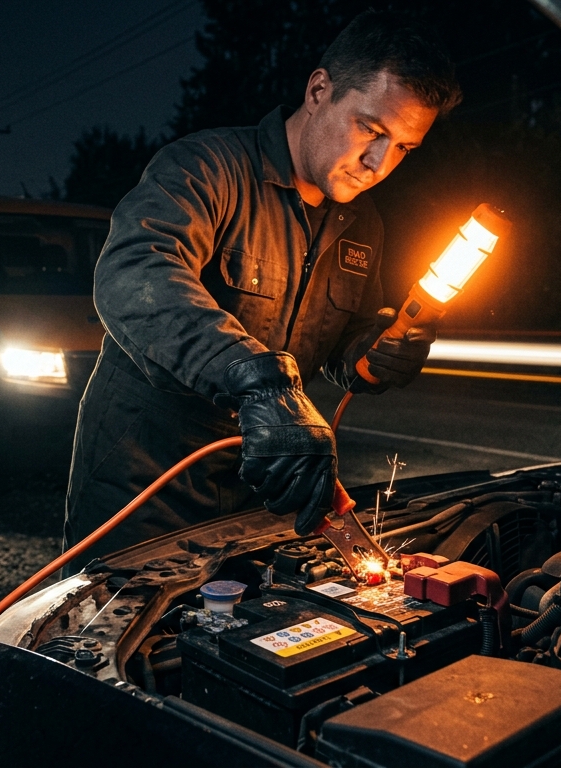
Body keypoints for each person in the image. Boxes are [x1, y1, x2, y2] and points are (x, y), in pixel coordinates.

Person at [64, 11, 462, 564]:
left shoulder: (362, 224)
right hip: (144, 486)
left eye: (403, 148)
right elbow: (134, 271)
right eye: (371, 130)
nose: (378, 163)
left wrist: (373, 352)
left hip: (263, 494)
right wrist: (254, 380)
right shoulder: (208, 168)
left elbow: (338, 348)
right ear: (319, 89)